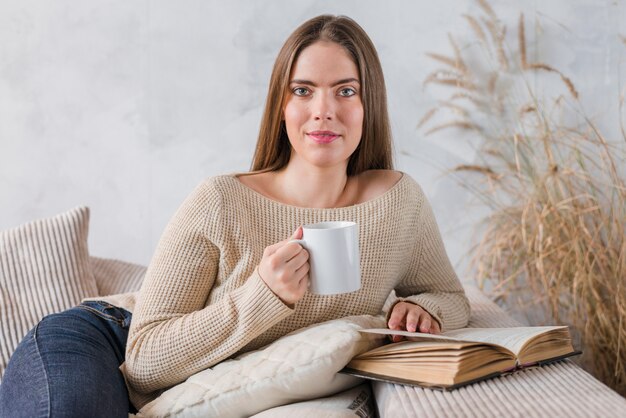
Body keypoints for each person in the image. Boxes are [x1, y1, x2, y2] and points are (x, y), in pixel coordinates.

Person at [0, 14, 470, 417]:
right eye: (303, 91)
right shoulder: (220, 202)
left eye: (345, 91)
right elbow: (142, 362)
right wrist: (263, 296)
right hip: (102, 338)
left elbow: (449, 294)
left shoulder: (398, 202)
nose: (323, 111)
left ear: (370, 104)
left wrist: (424, 310)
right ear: (281, 107)